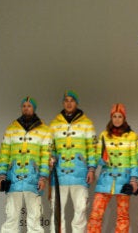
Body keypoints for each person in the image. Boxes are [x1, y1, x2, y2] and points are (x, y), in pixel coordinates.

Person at [0, 97, 52, 233]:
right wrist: (2, 175)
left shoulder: (44, 130)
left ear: (34, 108)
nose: (26, 108)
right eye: (24, 106)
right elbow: (4, 153)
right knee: (11, 216)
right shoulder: (11, 129)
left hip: (33, 179)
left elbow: (46, 156)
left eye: (29, 106)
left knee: (34, 218)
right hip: (13, 179)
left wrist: (43, 177)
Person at [49, 90, 97, 233]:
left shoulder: (87, 124)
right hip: (59, 174)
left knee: (80, 210)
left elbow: (93, 149)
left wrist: (91, 169)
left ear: (76, 103)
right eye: (66, 100)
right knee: (57, 211)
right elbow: (49, 147)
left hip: (80, 173)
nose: (69, 103)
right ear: (63, 103)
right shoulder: (54, 124)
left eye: (72, 100)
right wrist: (50, 158)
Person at [87, 103, 138, 233]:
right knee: (96, 214)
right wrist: (96, 164)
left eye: (119, 116)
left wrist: (133, 180)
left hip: (123, 180)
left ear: (124, 118)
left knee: (123, 216)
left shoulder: (131, 136)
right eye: (114, 116)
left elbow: (134, 160)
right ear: (111, 118)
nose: (117, 119)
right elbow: (96, 156)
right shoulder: (104, 135)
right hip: (105, 179)